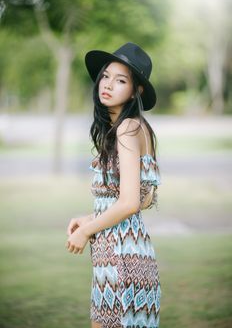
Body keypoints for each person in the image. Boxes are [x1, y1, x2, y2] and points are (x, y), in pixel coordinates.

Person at [66, 42, 162, 328]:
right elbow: (140, 198)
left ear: (136, 91)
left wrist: (86, 231)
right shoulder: (134, 127)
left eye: (121, 80)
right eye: (106, 76)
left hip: (121, 260)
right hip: (127, 256)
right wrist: (90, 217)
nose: (107, 84)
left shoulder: (127, 127)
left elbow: (131, 202)